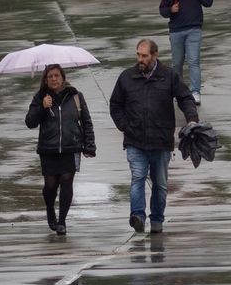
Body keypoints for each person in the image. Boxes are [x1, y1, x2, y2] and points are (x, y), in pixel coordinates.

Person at [108, 39, 199, 235]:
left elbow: (185, 98)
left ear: (155, 55)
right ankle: (138, 216)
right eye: (138, 55)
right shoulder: (126, 77)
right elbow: (115, 105)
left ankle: (157, 220)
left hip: (161, 141)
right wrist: (125, 126)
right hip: (135, 140)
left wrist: (191, 119)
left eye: (144, 56)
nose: (140, 59)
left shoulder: (168, 76)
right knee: (138, 177)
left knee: (160, 184)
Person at [24, 64, 96, 235]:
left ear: (63, 78)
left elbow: (86, 122)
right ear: (46, 80)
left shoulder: (76, 96)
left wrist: (90, 145)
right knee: (50, 185)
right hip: (48, 149)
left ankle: (62, 221)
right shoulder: (40, 97)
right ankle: (50, 209)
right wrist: (42, 107)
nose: (54, 79)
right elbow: (30, 122)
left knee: (66, 180)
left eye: (57, 75)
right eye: (50, 76)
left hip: (71, 147)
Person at [158, 0, 214, 104]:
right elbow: (162, 10)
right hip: (176, 31)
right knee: (177, 63)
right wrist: (171, 10)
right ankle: (180, 91)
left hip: (194, 29)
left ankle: (195, 91)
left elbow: (209, 2)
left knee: (193, 61)